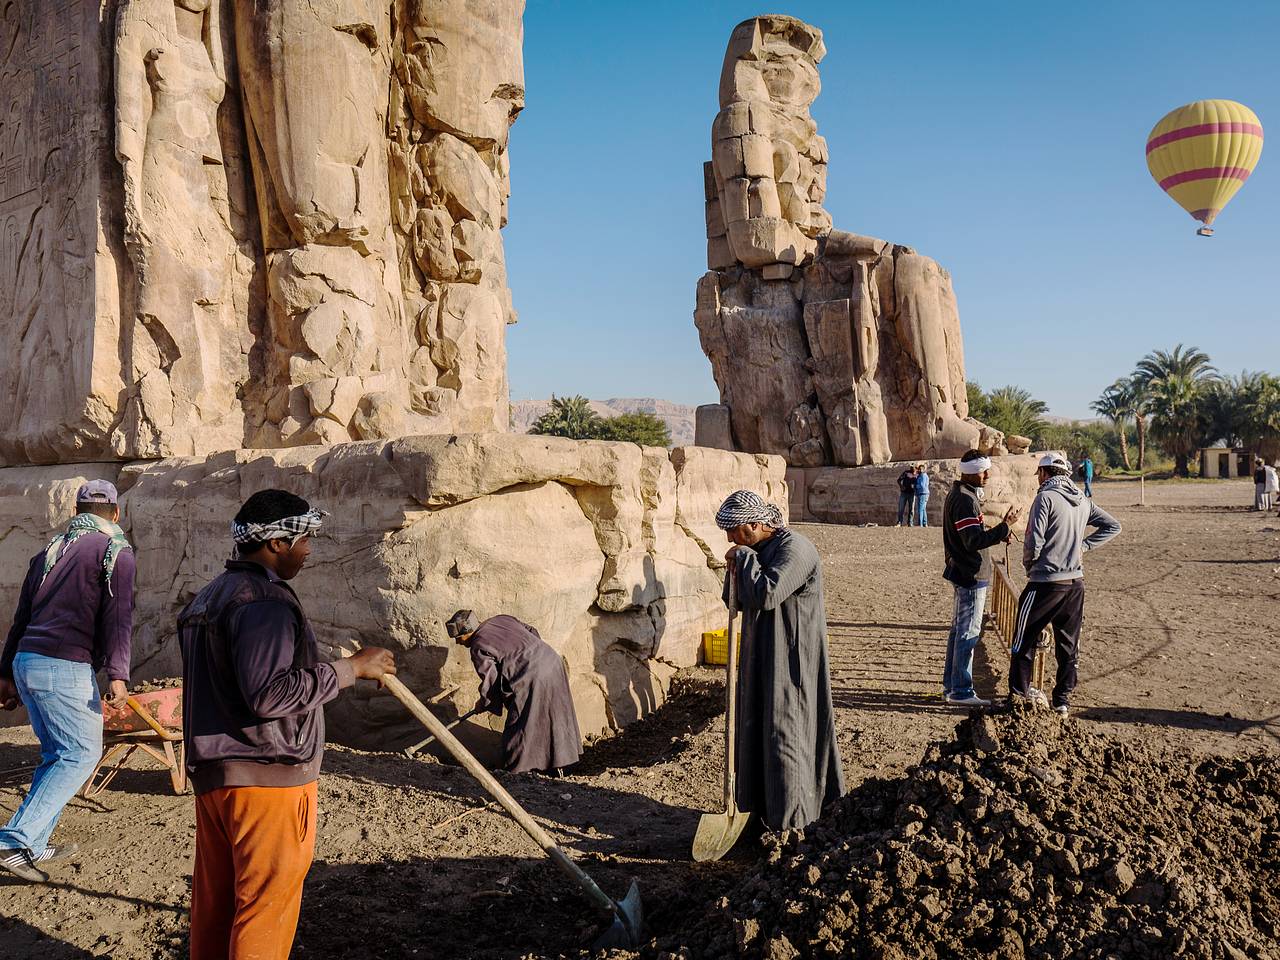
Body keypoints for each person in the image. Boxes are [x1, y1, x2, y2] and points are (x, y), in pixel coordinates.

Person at [178, 489, 396, 960]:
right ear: (277, 542)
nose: (309, 549)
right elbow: (269, 694)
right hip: (266, 780)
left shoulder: (207, 599)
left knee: (217, 907)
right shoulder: (264, 601)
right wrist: (352, 670)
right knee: (264, 908)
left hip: (217, 777)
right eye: (304, 539)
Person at [0, 480, 134, 883]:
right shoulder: (116, 551)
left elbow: (20, 619)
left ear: (77, 512)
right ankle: (13, 840)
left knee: (57, 754)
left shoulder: (47, 553)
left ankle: (34, 843)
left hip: (28, 661)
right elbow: (118, 620)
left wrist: (5, 676)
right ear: (114, 513)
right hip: (64, 665)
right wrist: (119, 675)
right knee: (80, 754)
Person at [715, 489, 844, 832]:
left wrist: (743, 559)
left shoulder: (795, 549)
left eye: (735, 531)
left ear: (756, 525)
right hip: (760, 657)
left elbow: (768, 593)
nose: (730, 538)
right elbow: (738, 599)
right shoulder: (756, 550)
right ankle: (757, 813)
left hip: (791, 661)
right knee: (757, 730)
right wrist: (736, 567)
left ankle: (792, 821)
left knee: (785, 735)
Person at [1009, 454, 1121, 717]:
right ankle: (1062, 701)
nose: (1038, 477)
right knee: (1068, 645)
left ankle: (1018, 696)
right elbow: (1112, 525)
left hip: (1045, 582)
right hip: (1075, 584)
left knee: (1023, 640)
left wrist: (1030, 566)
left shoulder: (1045, 498)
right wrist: (1083, 546)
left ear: (1046, 473)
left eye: (1039, 472)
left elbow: (1033, 541)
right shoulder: (1082, 499)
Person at [446, 611, 582, 775]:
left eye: (458, 638)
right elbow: (532, 631)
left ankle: (516, 772)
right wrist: (534, 655)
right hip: (552, 661)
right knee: (557, 714)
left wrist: (485, 702)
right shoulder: (502, 619)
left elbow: (491, 682)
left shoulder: (478, 646)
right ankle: (564, 765)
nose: (458, 643)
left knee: (520, 726)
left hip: (531, 676)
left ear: (467, 633)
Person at [941, 451, 1021, 707]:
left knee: (959, 631)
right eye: (982, 471)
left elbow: (973, 535)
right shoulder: (965, 500)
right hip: (970, 574)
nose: (986, 475)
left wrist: (998, 532)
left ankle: (951, 685)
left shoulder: (963, 495)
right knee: (968, 633)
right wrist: (1004, 527)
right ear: (968, 472)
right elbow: (972, 541)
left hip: (964, 571)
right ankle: (961, 691)